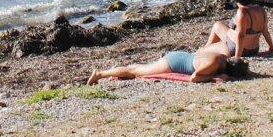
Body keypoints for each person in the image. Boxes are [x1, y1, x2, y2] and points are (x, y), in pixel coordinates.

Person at [86, 43, 239, 85]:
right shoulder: (214, 64)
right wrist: (214, 78)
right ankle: (100, 74)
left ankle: (119, 69)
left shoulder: (221, 57)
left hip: (179, 56)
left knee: (139, 68)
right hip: (173, 63)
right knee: (135, 73)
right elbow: (194, 78)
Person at [207, 0, 273, 56]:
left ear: (236, 0)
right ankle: (207, 49)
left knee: (215, 29)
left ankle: (206, 49)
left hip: (237, 49)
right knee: (218, 24)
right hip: (254, 49)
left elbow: (241, 36)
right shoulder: (261, 10)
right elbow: (265, 32)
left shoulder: (242, 12)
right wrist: (271, 47)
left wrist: (237, 57)